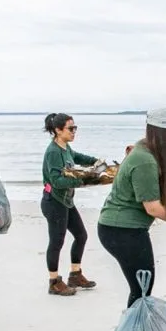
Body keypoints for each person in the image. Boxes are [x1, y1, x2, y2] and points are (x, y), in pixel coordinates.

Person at [97, 106, 166, 307]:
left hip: (125, 229)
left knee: (142, 287)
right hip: (121, 231)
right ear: (164, 134)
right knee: (141, 289)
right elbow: (153, 208)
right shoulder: (144, 160)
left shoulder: (148, 150)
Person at [41, 112, 104, 296]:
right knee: (56, 241)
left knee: (81, 236)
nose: (74, 131)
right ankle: (54, 282)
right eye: (71, 128)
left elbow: (77, 157)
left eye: (75, 127)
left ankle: (75, 275)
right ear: (58, 130)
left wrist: (95, 161)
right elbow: (57, 181)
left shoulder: (65, 147)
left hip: (66, 201)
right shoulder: (53, 152)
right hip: (54, 202)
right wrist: (84, 180)